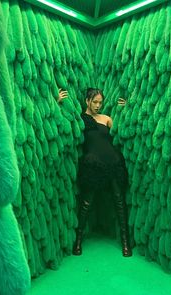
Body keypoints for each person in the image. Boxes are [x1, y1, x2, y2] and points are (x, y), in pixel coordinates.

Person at [58, 88, 132, 257]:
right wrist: (58, 103)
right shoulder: (80, 119)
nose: (98, 105)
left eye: (100, 102)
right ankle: (78, 242)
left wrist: (127, 109)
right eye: (95, 102)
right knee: (86, 204)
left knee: (119, 202)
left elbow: (122, 131)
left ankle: (126, 243)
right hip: (93, 165)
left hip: (113, 162)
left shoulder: (106, 119)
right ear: (87, 101)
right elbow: (65, 125)